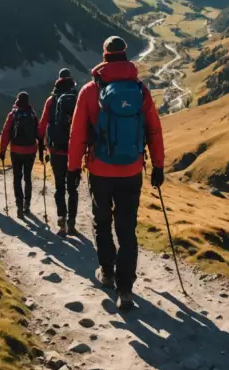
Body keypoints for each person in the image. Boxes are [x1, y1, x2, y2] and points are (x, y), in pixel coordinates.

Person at [68, 36, 164, 312]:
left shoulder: (90, 90)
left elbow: (77, 135)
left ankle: (107, 273)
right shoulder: (140, 89)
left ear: (105, 55)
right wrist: (158, 165)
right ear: (125, 55)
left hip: (100, 169)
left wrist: (74, 169)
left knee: (102, 221)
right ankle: (126, 290)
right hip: (132, 169)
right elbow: (153, 130)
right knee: (127, 228)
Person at [39, 69, 79, 236]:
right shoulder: (78, 99)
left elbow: (42, 125)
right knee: (73, 189)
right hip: (74, 152)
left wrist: (40, 146)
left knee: (59, 187)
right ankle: (72, 223)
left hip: (56, 150)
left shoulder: (51, 100)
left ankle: (61, 220)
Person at [0, 91, 43, 219]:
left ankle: (19, 205)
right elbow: (39, 135)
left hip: (16, 151)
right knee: (27, 177)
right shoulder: (33, 115)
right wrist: (41, 153)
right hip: (30, 151)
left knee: (17, 177)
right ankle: (27, 205)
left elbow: (6, 133)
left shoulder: (13, 114)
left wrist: (2, 151)